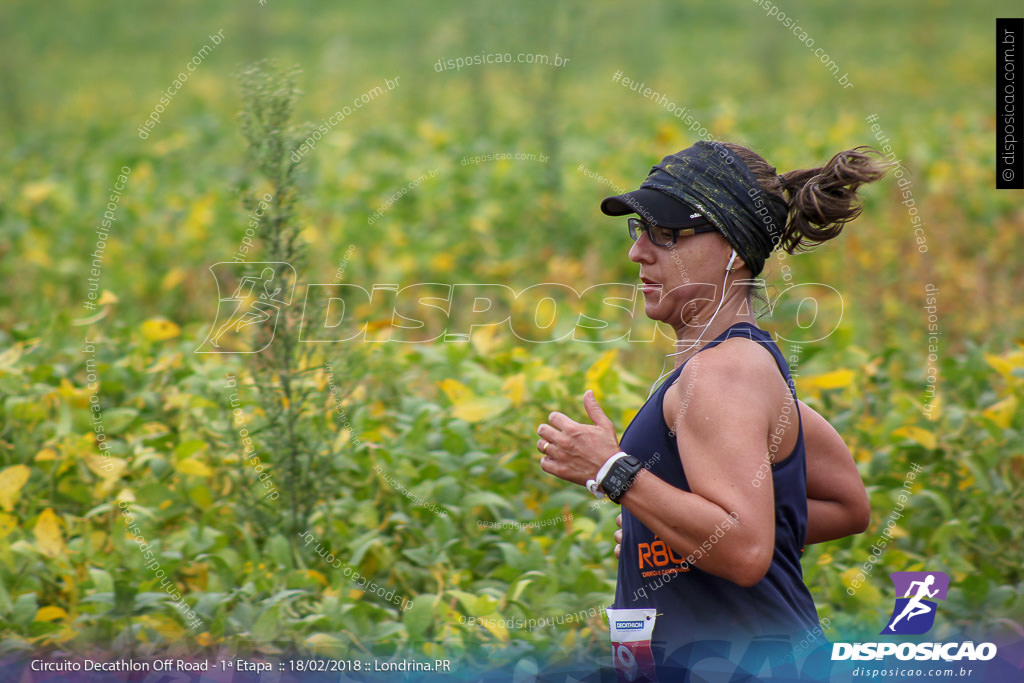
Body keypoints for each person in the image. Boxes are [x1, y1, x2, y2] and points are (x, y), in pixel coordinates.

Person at [535, 140, 882, 680]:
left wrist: (613, 472)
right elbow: (847, 505)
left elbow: (743, 549)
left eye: (668, 234)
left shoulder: (722, 376)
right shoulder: (745, 368)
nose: (639, 252)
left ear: (735, 250)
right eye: (639, 230)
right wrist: (667, 529)